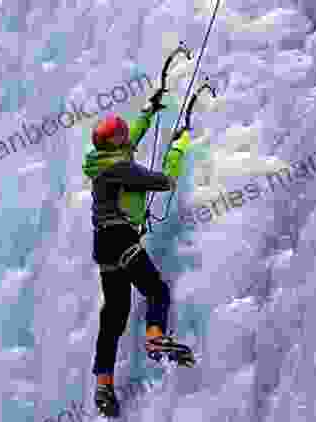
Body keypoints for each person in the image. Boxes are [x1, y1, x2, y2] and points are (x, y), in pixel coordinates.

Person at [82, 88, 195, 417]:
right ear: (114, 144)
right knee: (156, 290)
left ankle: (104, 384)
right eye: (119, 135)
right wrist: (179, 146)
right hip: (121, 238)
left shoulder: (100, 162)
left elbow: (131, 139)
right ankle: (155, 337)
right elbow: (164, 181)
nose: (124, 137)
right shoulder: (121, 168)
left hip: (103, 246)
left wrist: (148, 111)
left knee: (114, 315)